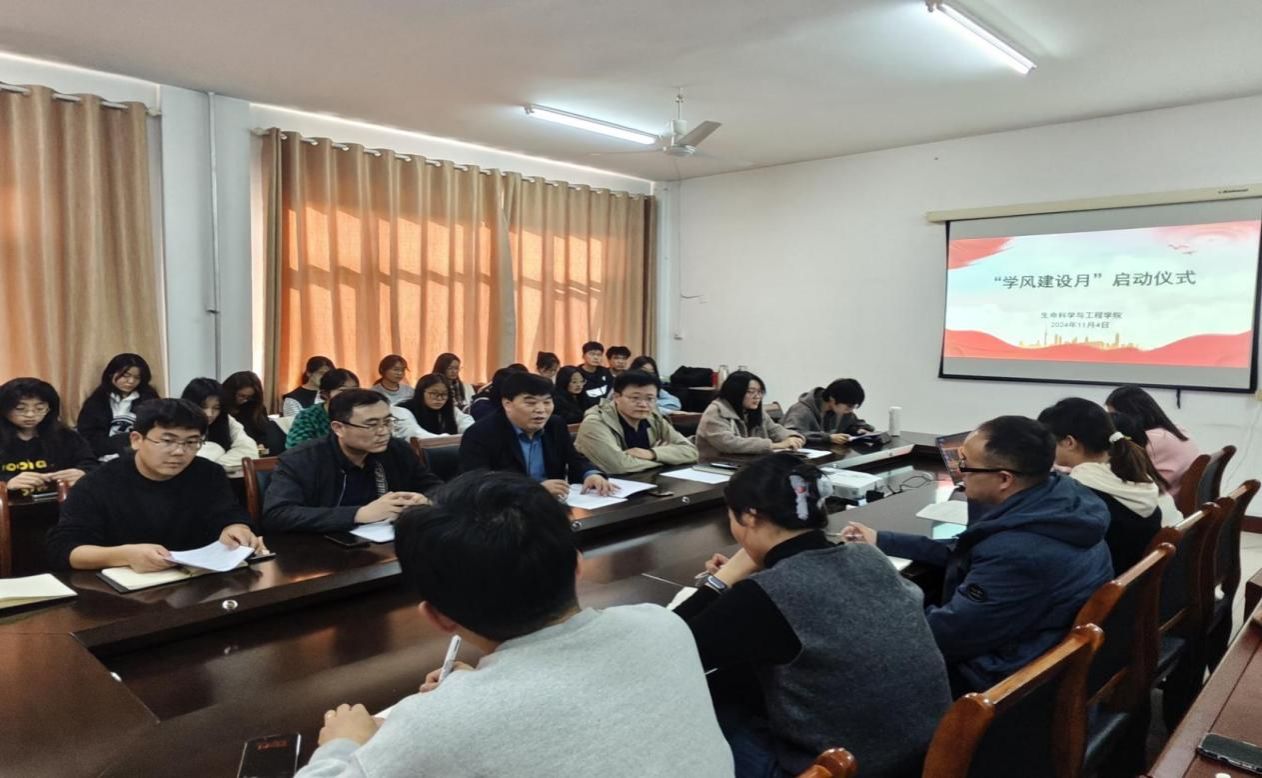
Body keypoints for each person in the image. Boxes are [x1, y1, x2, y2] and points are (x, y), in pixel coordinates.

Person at [297, 471, 733, 778]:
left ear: (436, 617)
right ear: (578, 566)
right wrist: (481, 690)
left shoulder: (438, 725)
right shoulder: (662, 626)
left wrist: (343, 743)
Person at [676, 454, 950, 777]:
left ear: (749, 517)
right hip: (925, 755)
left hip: (842, 769)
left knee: (698, 711)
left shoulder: (766, 595)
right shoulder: (869, 557)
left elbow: (668, 649)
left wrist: (722, 579)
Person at [843, 416, 1113, 695]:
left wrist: (875, 603)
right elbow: (967, 551)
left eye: (966, 465)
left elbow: (946, 636)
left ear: (1004, 479)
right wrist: (882, 540)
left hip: (1003, 684)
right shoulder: (1060, 499)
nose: (960, 473)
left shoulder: (1019, 552)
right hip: (1033, 648)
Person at [47, 399, 266, 572]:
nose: (179, 451)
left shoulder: (209, 473)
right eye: (167, 441)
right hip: (126, 592)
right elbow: (64, 550)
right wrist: (124, 555)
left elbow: (228, 513)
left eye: (191, 442)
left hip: (200, 582)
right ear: (136, 440)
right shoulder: (97, 483)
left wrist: (236, 527)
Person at [262, 390, 442, 534]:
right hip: (320, 551)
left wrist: (426, 500)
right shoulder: (302, 459)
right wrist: (358, 514)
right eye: (371, 424)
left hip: (386, 544)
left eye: (388, 422)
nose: (383, 431)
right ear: (338, 428)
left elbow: (436, 488)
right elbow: (277, 515)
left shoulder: (397, 449)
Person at [1039, 397, 1174, 575]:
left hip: (1105, 583)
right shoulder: (1131, 473)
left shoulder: (1079, 493)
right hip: (1134, 580)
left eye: (1049, 441)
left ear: (1069, 442)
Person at [459, 372, 613, 499]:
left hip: (552, 506)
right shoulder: (481, 433)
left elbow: (574, 458)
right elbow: (478, 484)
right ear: (507, 404)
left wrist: (590, 474)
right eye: (531, 403)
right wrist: (534, 489)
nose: (540, 410)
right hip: (504, 512)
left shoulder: (555, 425)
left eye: (547, 402)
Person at [576, 371, 698, 475]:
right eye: (635, 398)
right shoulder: (595, 422)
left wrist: (652, 453)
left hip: (646, 480)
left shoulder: (653, 417)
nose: (643, 404)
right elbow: (619, 466)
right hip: (603, 488)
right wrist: (668, 458)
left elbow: (692, 452)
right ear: (616, 397)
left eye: (650, 399)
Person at [0, 378, 96, 497]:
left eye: (40, 408)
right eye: (20, 409)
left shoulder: (66, 436)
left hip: (61, 502)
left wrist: (82, 472)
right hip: (10, 504)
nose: (31, 414)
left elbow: (91, 464)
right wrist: (6, 483)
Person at [1105, 385, 1202, 502]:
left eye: (1114, 415)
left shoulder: (1150, 441)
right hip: (1176, 500)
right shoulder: (1177, 430)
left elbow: (1114, 475)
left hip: (1159, 502)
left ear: (1131, 416)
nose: (1112, 422)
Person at [696, 371, 804, 460]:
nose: (757, 396)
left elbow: (774, 430)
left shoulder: (755, 411)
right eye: (751, 392)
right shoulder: (716, 411)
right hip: (714, 465)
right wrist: (776, 445)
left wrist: (792, 437)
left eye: (760, 392)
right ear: (735, 392)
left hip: (746, 463)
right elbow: (729, 443)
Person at [77, 353, 161, 459]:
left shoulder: (150, 400)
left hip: (139, 457)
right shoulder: (97, 401)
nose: (131, 381)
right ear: (111, 374)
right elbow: (87, 436)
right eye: (126, 376)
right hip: (101, 458)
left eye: (137, 377)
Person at [180, 378, 259, 475]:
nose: (209, 414)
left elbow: (249, 451)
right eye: (203, 407)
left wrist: (215, 467)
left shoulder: (225, 420)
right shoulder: (176, 422)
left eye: (216, 408)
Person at [781, 378, 874, 447]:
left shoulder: (842, 411)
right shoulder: (801, 410)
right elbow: (791, 433)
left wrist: (859, 429)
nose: (851, 410)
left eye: (854, 407)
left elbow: (854, 423)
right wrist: (828, 438)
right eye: (849, 406)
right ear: (832, 399)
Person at [286, 369, 360, 449]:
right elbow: (297, 448)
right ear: (325, 394)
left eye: (354, 390)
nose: (350, 395)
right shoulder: (308, 416)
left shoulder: (360, 414)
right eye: (342, 390)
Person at [393, 374, 474, 439]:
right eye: (433, 393)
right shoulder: (402, 410)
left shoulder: (449, 408)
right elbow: (413, 433)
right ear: (421, 392)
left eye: (444, 394)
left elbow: (466, 422)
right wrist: (446, 439)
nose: (439, 398)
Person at [222, 370, 276, 453]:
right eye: (241, 396)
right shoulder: (220, 408)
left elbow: (264, 433)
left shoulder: (254, 406)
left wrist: (261, 444)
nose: (245, 400)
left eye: (249, 397)